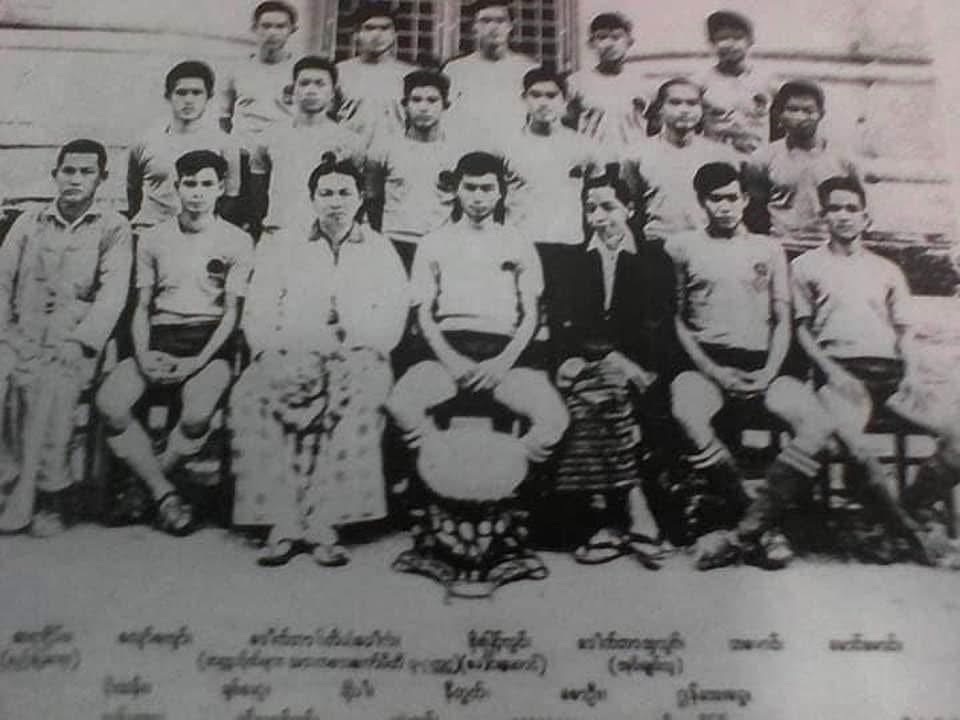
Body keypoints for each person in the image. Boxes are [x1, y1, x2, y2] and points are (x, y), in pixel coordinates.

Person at [697, 175, 934, 569]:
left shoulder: (887, 270)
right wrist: (831, 372)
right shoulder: (806, 266)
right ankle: (908, 534)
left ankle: (900, 518)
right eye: (834, 209)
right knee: (852, 447)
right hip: (841, 374)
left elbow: (905, 331)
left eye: (851, 208)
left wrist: (912, 373)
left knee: (956, 433)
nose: (843, 216)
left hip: (892, 375)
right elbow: (802, 331)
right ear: (823, 216)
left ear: (866, 217)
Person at [386, 152, 568, 596]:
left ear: (502, 191)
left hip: (506, 353)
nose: (479, 197)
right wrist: (452, 360)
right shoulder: (434, 242)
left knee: (554, 418)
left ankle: (504, 494)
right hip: (447, 349)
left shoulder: (517, 241)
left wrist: (502, 362)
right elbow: (424, 315)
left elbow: (530, 315)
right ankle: (441, 483)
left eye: (488, 188)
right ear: (456, 189)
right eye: (470, 187)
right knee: (401, 403)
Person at [231, 153, 409, 567]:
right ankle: (282, 521)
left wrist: (355, 344)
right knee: (250, 393)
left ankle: (325, 522)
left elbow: (393, 313)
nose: (335, 202)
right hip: (293, 348)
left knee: (360, 394)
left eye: (344, 193)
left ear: (360, 198)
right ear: (311, 199)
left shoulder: (379, 249)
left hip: (358, 353)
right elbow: (259, 308)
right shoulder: (283, 246)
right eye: (325, 193)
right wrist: (275, 350)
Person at [96, 151, 253, 537]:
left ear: (221, 188)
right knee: (110, 402)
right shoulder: (153, 238)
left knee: (197, 415)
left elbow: (231, 315)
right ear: (177, 186)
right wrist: (143, 355)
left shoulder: (237, 240)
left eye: (206, 184)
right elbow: (142, 306)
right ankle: (164, 493)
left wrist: (198, 362)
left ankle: (144, 488)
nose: (197, 193)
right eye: (189, 184)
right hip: (158, 337)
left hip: (209, 342)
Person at [544, 166, 677, 565]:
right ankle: (636, 509)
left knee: (602, 393)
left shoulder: (654, 259)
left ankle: (604, 522)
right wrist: (591, 358)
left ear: (630, 209)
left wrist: (624, 362)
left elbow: (658, 326)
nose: (598, 217)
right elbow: (563, 324)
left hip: (641, 370)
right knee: (601, 391)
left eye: (608, 207)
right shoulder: (570, 261)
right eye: (591, 208)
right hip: (586, 366)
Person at [0, 139, 132, 536]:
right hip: (21, 334)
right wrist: (5, 334)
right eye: (68, 171)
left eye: (86, 172)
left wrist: (81, 340)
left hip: (75, 342)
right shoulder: (29, 222)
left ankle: (46, 494)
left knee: (51, 382)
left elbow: (112, 295)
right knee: (6, 373)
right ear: (55, 174)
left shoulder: (113, 227)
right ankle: (10, 480)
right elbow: (2, 282)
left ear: (101, 178)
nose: (75, 179)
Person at [666, 162, 790, 552]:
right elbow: (676, 318)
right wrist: (712, 369)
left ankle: (748, 519)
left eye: (732, 198)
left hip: (758, 361)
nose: (724, 207)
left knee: (808, 420)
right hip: (705, 361)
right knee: (687, 412)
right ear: (701, 202)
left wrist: (769, 371)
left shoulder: (768, 248)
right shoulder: (682, 246)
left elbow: (783, 320)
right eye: (714, 199)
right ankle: (753, 517)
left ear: (745, 199)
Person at [250, 56, 365, 237]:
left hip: (326, 236)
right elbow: (258, 190)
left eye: (320, 84)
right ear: (293, 90)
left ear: (333, 92)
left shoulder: (349, 141)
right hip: (279, 232)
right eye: (304, 83)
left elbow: (355, 195)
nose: (311, 90)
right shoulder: (269, 136)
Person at [621, 77, 741, 242]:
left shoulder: (721, 155)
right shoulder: (637, 154)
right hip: (658, 243)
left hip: (708, 245)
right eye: (675, 103)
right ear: (660, 108)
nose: (684, 110)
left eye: (692, 103)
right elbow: (634, 205)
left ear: (702, 109)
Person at [364, 68, 463, 269]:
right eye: (416, 100)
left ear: (446, 105)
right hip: (394, 241)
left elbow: (462, 204)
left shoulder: (457, 152)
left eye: (432, 100)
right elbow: (373, 199)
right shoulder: (384, 148)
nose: (423, 108)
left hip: (440, 243)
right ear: (405, 105)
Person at [127, 61, 241, 230]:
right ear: (168, 96)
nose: (188, 100)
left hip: (199, 235)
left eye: (196, 93)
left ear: (209, 96)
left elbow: (230, 197)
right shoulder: (145, 142)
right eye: (181, 93)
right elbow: (133, 190)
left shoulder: (225, 144)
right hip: (150, 229)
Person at [744, 79, 860, 243]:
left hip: (827, 246)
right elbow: (755, 211)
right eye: (792, 110)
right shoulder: (763, 157)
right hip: (781, 244)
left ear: (821, 114)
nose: (800, 117)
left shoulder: (843, 157)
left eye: (808, 110)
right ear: (779, 114)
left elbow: (859, 207)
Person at [502, 66, 605, 247]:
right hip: (521, 244)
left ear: (564, 100)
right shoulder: (506, 146)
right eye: (535, 95)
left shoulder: (583, 146)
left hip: (569, 243)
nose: (543, 103)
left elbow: (597, 197)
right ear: (524, 99)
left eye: (551, 96)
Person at [443, 0, 537, 146]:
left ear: (510, 26)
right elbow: (445, 116)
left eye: (500, 20)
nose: (493, 27)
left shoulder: (528, 69)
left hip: (516, 148)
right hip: (468, 148)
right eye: (485, 21)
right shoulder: (456, 70)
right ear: (474, 27)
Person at [693, 10, 777, 155]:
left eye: (738, 38)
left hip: (757, 159)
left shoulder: (767, 82)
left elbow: (781, 126)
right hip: (715, 158)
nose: (730, 44)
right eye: (722, 38)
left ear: (750, 41)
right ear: (712, 43)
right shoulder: (700, 82)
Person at [566, 12, 653, 150]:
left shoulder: (643, 84)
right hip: (591, 159)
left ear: (629, 42)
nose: (609, 44)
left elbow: (655, 127)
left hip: (632, 159)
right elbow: (567, 126)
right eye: (602, 37)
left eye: (616, 37)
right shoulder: (577, 82)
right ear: (591, 44)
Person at [336, 1, 414, 147]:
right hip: (349, 153)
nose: (377, 35)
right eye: (369, 28)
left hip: (396, 152)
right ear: (356, 33)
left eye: (385, 28)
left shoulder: (410, 75)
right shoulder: (340, 72)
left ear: (394, 34)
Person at [218, 1, 299, 139]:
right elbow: (223, 117)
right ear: (254, 28)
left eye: (280, 26)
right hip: (244, 145)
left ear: (292, 30)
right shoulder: (236, 69)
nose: (272, 33)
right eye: (266, 26)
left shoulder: (301, 71)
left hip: (284, 145)